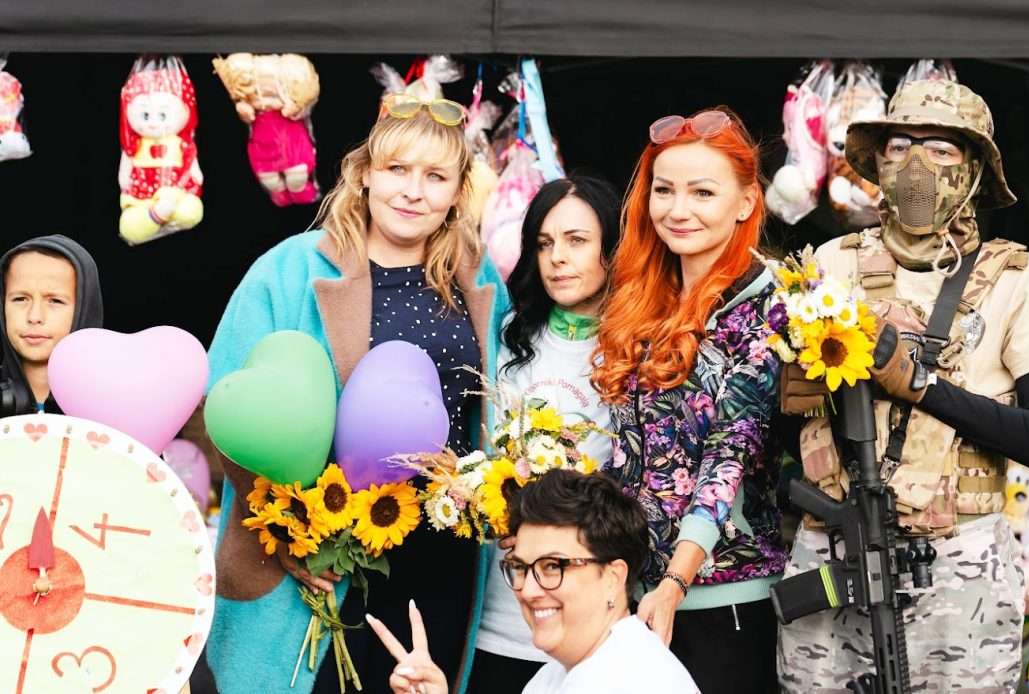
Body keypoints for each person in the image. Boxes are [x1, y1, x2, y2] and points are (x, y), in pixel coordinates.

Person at [775, 79, 1029, 691]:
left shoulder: (1017, 279)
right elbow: (779, 435)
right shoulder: (829, 265)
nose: (916, 165)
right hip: (835, 546)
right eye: (899, 146)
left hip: (958, 571)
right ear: (877, 163)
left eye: (941, 149)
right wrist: (801, 390)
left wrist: (921, 386)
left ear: (974, 172)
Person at [204, 102, 511, 694]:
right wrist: (285, 530)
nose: (413, 191)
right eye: (397, 169)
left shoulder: (478, 277)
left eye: (435, 177)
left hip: (439, 555)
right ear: (366, 173)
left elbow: (497, 402)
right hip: (316, 553)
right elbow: (228, 400)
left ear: (457, 193)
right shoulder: (289, 269)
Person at [591, 107, 786, 693]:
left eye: (702, 192)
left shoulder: (768, 303)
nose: (678, 210)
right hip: (634, 593)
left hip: (723, 596)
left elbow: (732, 451)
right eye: (664, 190)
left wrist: (675, 581)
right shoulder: (643, 297)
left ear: (745, 203)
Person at [468, 175, 622, 691]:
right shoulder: (505, 338)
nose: (558, 257)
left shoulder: (635, 351)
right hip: (499, 615)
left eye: (577, 241)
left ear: (611, 248)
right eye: (544, 243)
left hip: (592, 622)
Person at [369, 469, 700, 694]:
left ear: (613, 578)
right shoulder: (565, 670)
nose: (527, 590)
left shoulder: (623, 679)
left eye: (553, 566)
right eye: (520, 567)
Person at [0, 235, 102, 416]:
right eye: (20, 299)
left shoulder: (113, 402)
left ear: (85, 308)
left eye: (55, 301)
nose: (34, 317)